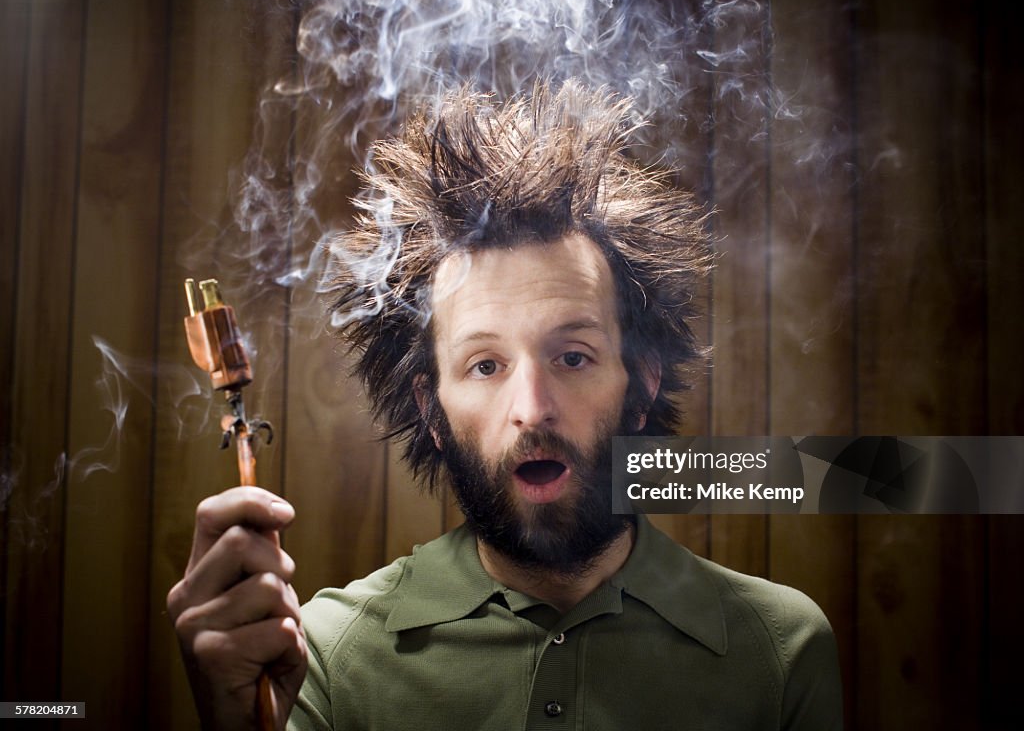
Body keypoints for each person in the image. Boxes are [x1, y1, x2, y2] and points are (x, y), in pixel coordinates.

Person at [167, 80, 843, 730]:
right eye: (485, 365)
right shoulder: (322, 655)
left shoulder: (779, 649)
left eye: (572, 357)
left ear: (640, 384)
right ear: (432, 412)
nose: (532, 408)